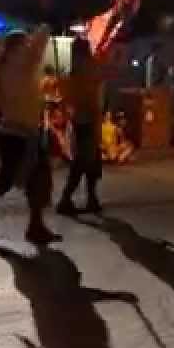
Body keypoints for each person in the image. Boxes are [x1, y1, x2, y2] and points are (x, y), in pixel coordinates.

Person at [0, 25, 59, 244]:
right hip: (21, 133)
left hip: (16, 131)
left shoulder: (7, 67)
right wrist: (48, 23)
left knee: (26, 179)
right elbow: (39, 43)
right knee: (16, 179)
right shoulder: (20, 64)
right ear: (19, 46)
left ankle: (34, 225)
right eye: (25, 42)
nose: (29, 45)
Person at [56, 37, 104, 216]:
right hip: (86, 121)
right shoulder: (84, 71)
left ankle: (91, 198)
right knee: (83, 162)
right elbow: (91, 98)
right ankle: (66, 199)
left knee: (90, 163)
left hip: (82, 120)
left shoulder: (76, 71)